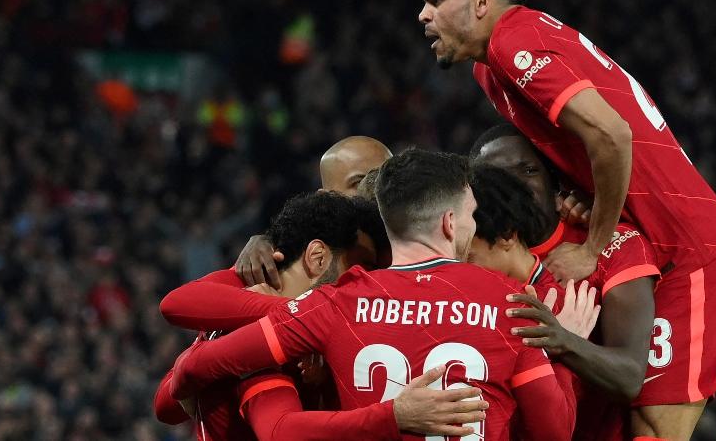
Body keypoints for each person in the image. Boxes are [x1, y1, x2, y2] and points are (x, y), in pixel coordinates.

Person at [416, 0, 716, 437]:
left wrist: (594, 245)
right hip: (659, 240)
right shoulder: (490, 69)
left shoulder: (514, 41)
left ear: (481, 1)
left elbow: (612, 135)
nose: (423, 15)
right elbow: (584, 148)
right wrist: (585, 197)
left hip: (692, 248)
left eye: (435, 0)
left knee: (653, 433)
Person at [168, 149, 583, 441]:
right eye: (472, 215)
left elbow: (195, 367)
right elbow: (554, 431)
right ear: (450, 222)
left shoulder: (337, 304)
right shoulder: (513, 302)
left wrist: (190, 380)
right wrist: (563, 349)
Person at [154, 191, 486, 440]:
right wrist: (395, 415)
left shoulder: (238, 311)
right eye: (362, 268)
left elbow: (168, 401)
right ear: (317, 257)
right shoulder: (262, 339)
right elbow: (279, 431)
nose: (369, 282)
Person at [468, 160, 659, 440]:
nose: (459, 268)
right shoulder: (490, 299)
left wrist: (562, 341)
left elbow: (628, 378)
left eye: (469, 258)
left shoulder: (567, 297)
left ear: (507, 235)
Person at [235, 136, 392, 288]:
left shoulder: (411, 241)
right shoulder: (287, 254)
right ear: (326, 197)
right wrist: (268, 242)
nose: (376, 191)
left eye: (385, 180)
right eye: (359, 182)